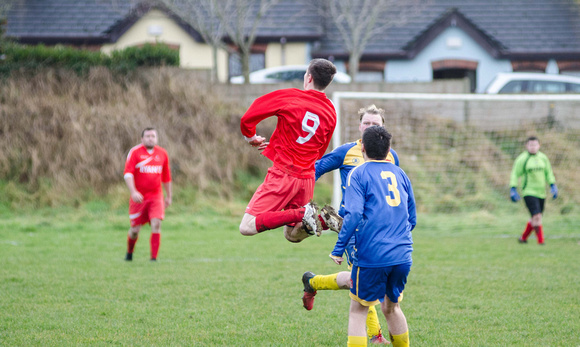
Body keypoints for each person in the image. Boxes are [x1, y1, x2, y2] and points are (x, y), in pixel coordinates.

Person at [302, 105, 400, 344]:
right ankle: (376, 336)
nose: (370, 127)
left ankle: (312, 282)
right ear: (359, 126)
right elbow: (315, 169)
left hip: (379, 231)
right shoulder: (347, 151)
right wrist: (301, 199)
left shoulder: (391, 155)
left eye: (375, 124)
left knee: (358, 281)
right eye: (366, 123)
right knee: (362, 281)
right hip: (353, 227)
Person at [239, 58, 342, 243]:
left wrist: (251, 137)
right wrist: (280, 146)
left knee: (246, 226)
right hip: (307, 178)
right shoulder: (330, 112)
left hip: (283, 175)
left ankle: (303, 212)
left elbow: (249, 116)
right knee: (292, 235)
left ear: (308, 77)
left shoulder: (291, 97)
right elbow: (319, 151)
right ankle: (322, 220)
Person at [330, 126, 416, 347]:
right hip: (403, 255)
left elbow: (354, 214)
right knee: (392, 307)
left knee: (358, 309)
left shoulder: (358, 173)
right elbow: (412, 217)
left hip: (372, 255)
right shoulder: (401, 173)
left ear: (363, 148)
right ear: (389, 150)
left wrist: (339, 249)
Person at [123, 127, 172, 261]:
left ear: (156, 138)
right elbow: (128, 174)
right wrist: (133, 192)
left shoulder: (162, 153)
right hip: (139, 198)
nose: (151, 138)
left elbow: (166, 177)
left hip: (156, 196)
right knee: (135, 230)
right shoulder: (135, 153)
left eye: (153, 136)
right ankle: (129, 252)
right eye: (148, 136)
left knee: (156, 223)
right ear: (142, 139)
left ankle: (153, 258)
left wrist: (169, 196)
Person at [510, 136, 557, 245]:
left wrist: (552, 185)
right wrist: (513, 188)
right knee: (537, 216)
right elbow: (515, 174)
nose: (533, 147)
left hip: (541, 192)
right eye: (530, 145)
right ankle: (541, 241)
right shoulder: (522, 159)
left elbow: (548, 172)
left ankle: (523, 238)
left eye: (535, 145)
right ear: (526, 146)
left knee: (535, 218)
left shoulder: (543, 158)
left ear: (539, 146)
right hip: (528, 191)